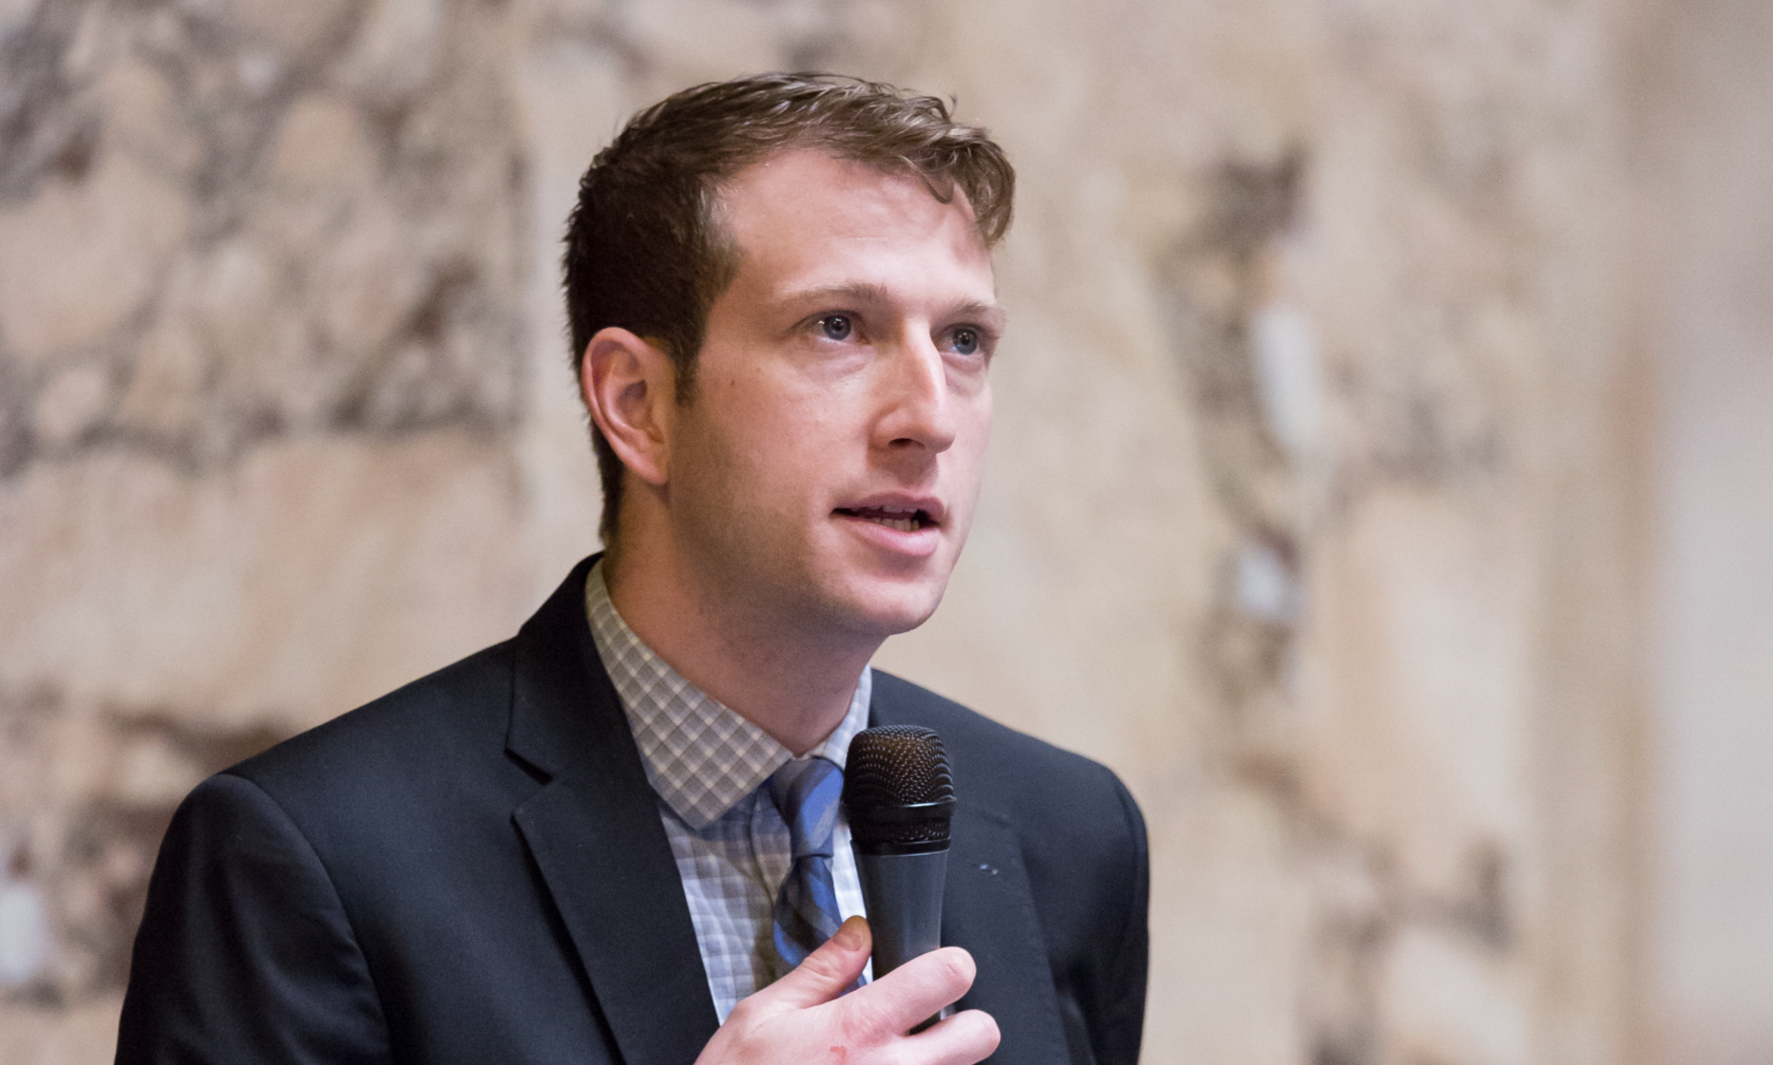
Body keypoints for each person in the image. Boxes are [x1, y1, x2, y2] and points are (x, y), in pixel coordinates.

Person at [115, 73, 1149, 1065]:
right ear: (637, 404)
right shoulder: (313, 861)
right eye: (838, 327)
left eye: (964, 340)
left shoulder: (1069, 833)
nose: (928, 417)